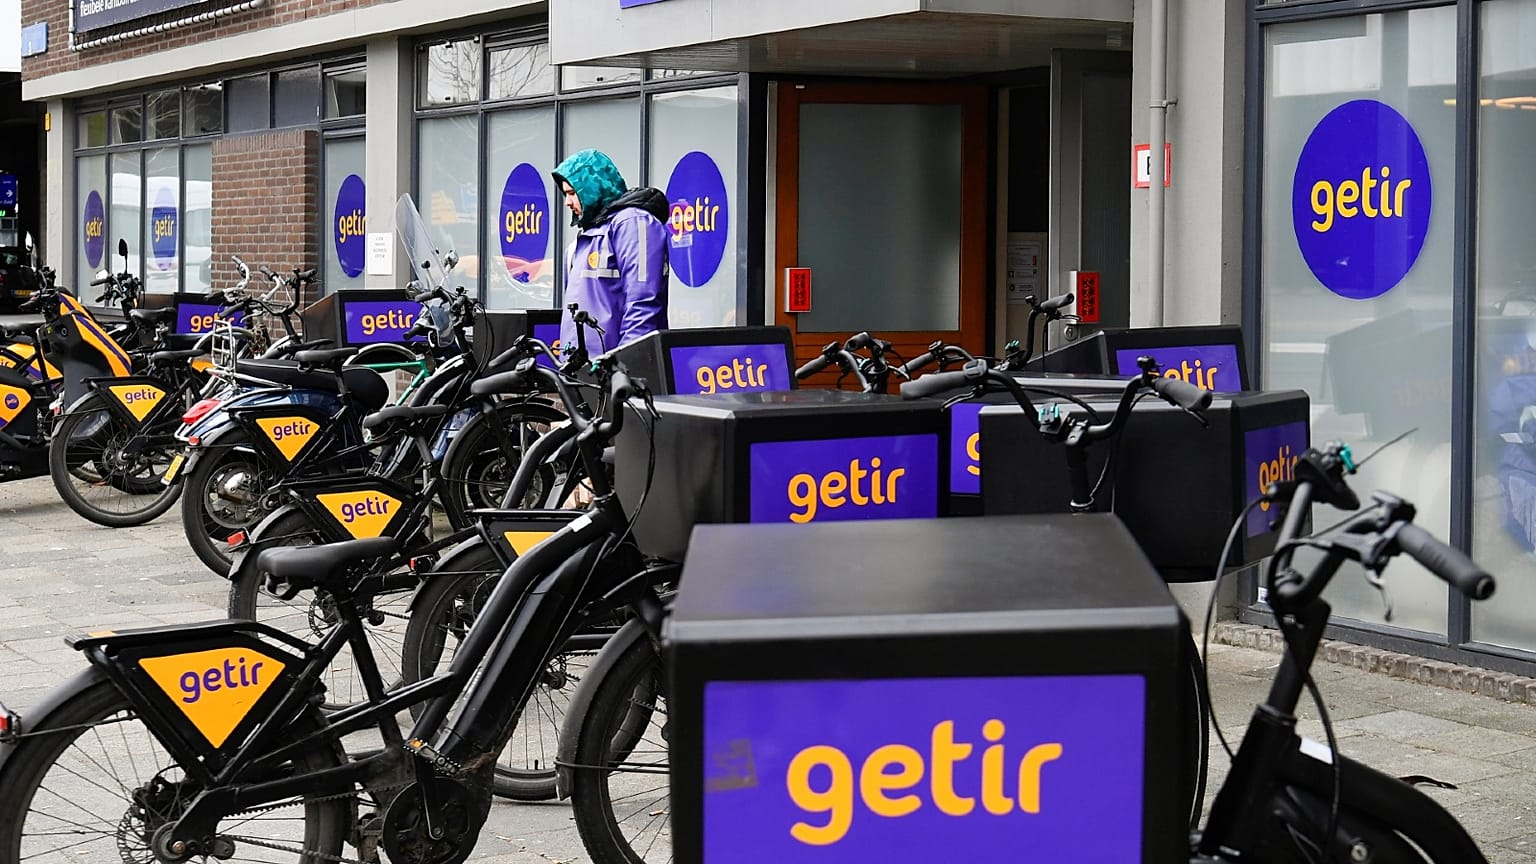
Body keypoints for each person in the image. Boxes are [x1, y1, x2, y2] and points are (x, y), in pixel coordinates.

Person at [551, 149, 669, 357]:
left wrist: (628, 361)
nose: (567, 202)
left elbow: (643, 302)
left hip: (617, 370)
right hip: (582, 369)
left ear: (592, 187)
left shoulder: (632, 223)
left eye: (572, 193)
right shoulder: (580, 243)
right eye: (565, 194)